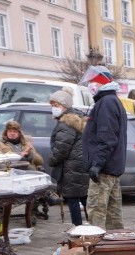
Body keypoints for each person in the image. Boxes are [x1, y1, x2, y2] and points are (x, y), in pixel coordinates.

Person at [80, 65, 127, 230]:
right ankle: (116, 247)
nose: (90, 85)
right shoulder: (111, 100)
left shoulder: (106, 102)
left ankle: (95, 248)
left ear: (100, 82)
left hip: (104, 169)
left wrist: (97, 163)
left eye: (93, 81)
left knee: (96, 212)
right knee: (113, 216)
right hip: (111, 167)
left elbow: (107, 138)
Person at [48, 89, 89, 226]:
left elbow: (62, 148)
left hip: (71, 166)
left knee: (73, 199)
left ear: (65, 106)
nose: (53, 108)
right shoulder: (77, 117)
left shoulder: (66, 122)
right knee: (84, 197)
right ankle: (93, 226)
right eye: (52, 105)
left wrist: (52, 160)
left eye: (56, 105)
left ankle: (78, 230)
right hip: (81, 163)